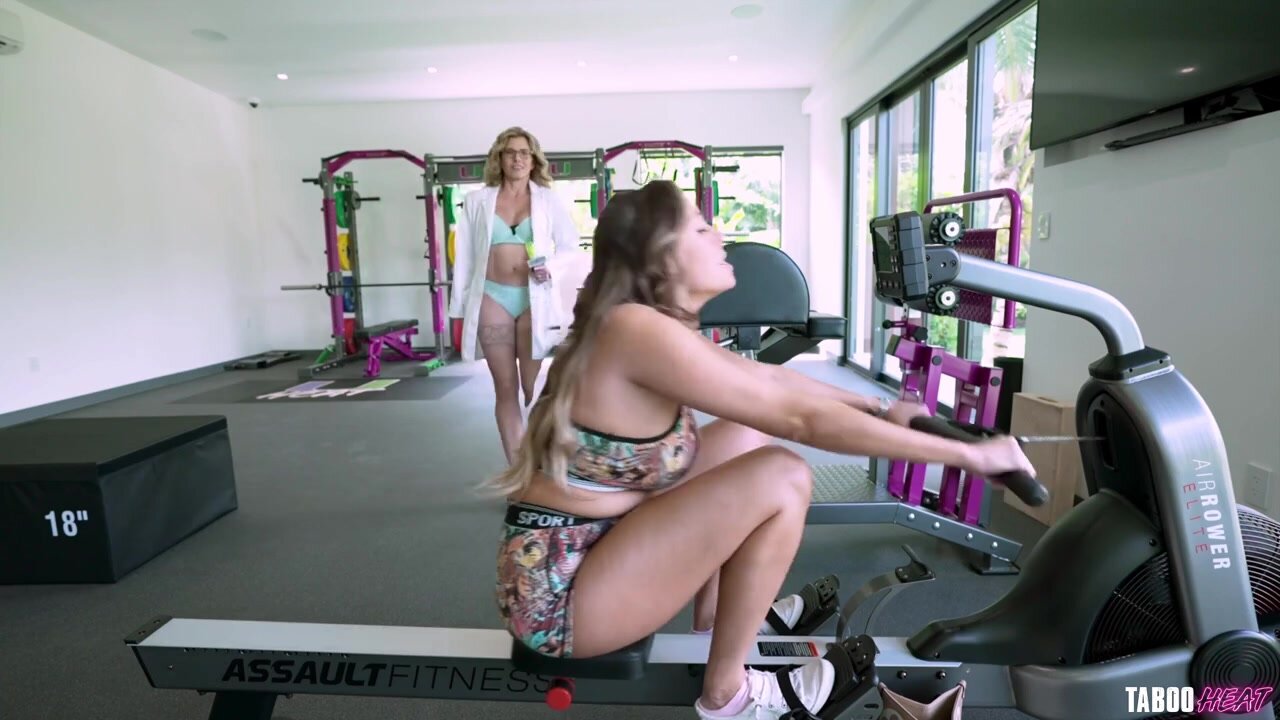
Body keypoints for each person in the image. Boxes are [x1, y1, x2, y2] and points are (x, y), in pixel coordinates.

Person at [486, 180, 1035, 719]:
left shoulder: (642, 323)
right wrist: (971, 457)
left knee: (745, 437)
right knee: (782, 476)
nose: (719, 235)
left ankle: (715, 623)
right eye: (700, 228)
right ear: (662, 256)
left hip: (597, 544)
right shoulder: (633, 330)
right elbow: (798, 418)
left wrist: (879, 407)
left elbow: (772, 383)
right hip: (560, 600)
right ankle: (729, 696)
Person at [449, 126, 583, 464]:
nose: (517, 159)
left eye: (524, 153)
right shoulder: (477, 201)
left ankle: (542, 450)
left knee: (530, 388)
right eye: (510, 152)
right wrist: (459, 309)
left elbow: (570, 246)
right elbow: (464, 256)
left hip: (533, 299)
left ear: (533, 160)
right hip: (491, 296)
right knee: (505, 389)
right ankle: (518, 470)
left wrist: (550, 267)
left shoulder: (548, 200)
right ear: (500, 158)